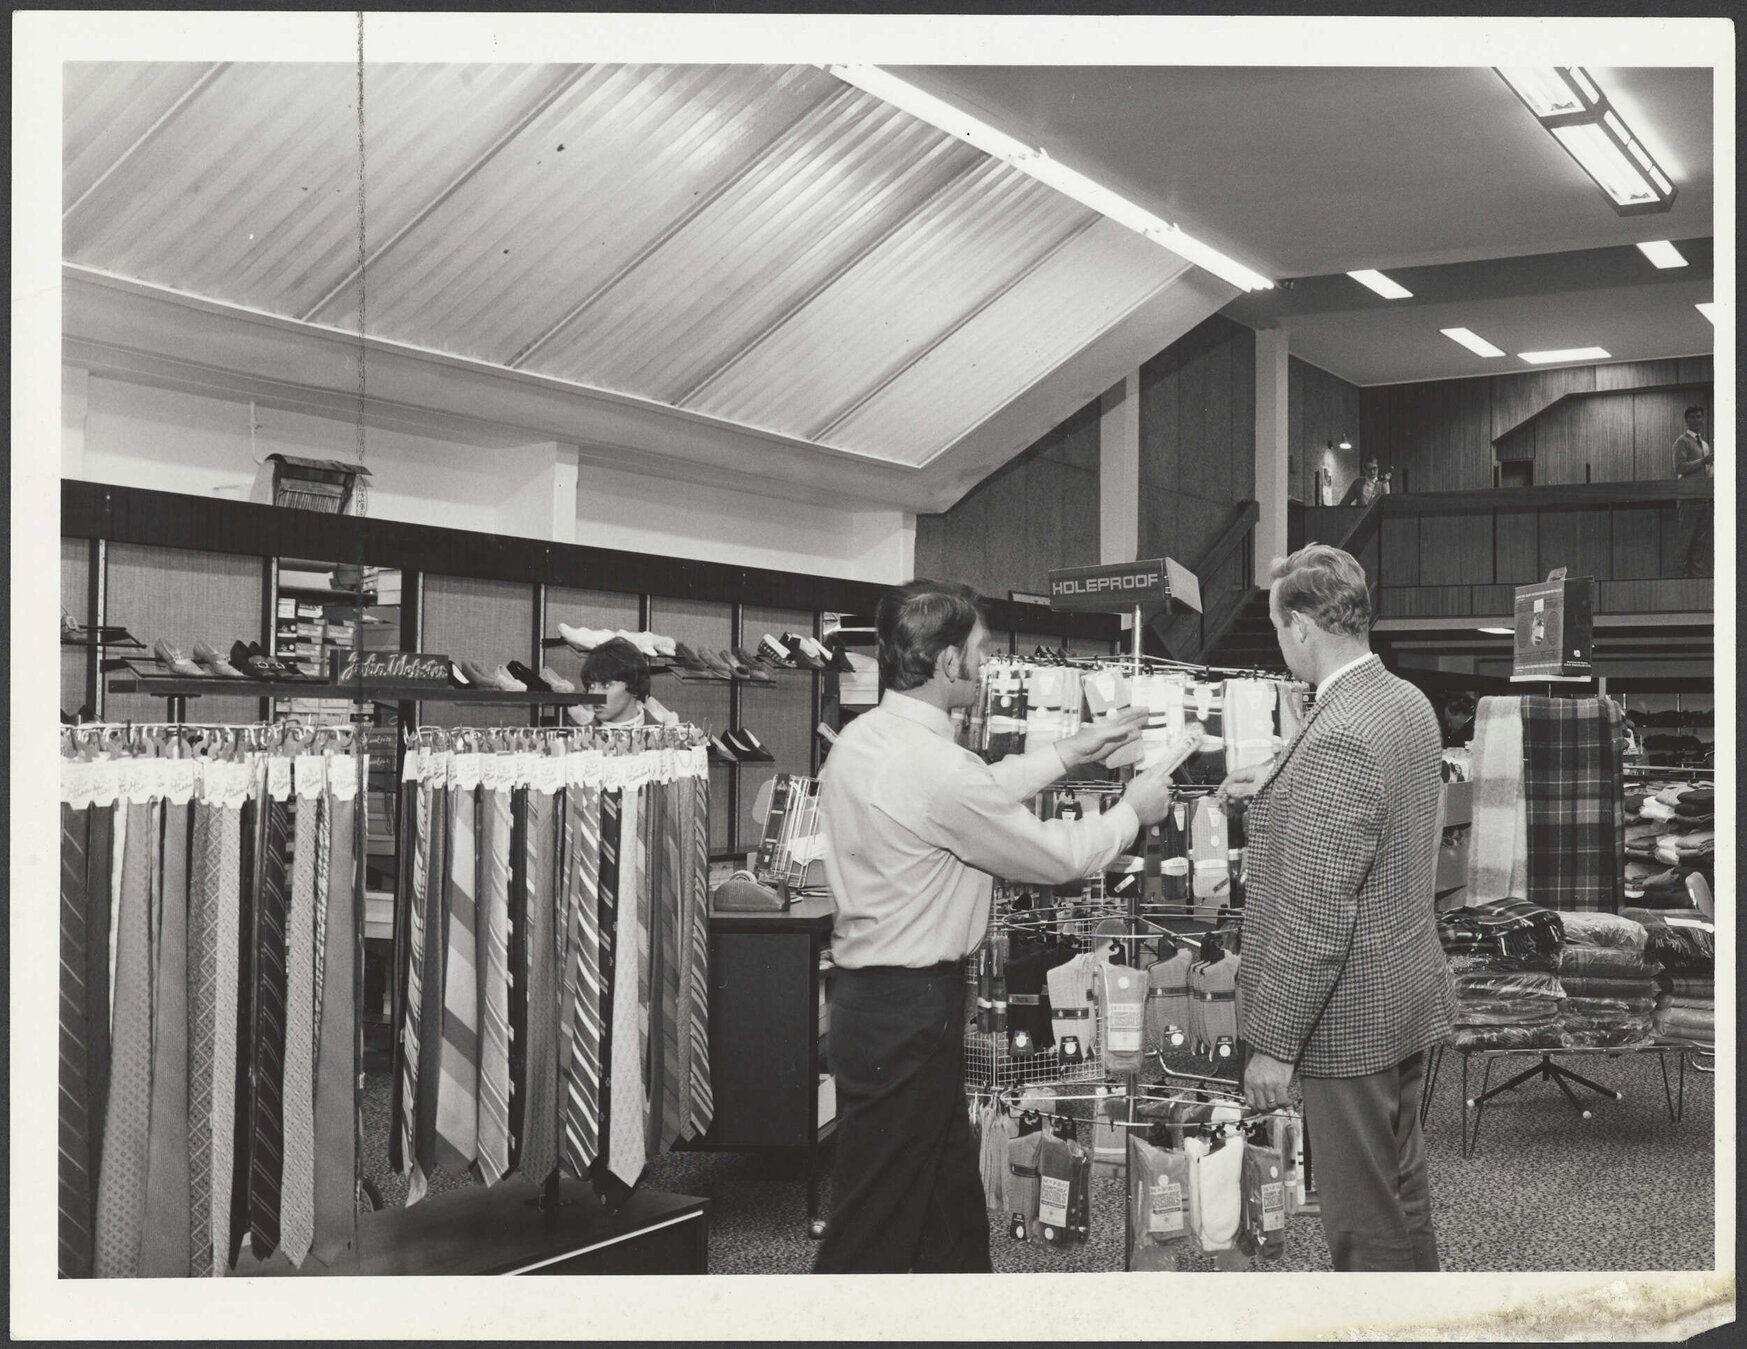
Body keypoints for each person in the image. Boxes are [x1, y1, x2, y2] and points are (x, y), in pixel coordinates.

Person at [812, 579, 1177, 1273]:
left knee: (946, 1214)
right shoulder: (934, 767)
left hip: (877, 1005)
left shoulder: (864, 739)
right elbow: (1057, 856)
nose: (987, 664)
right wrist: (1133, 808)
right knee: (872, 1228)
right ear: (948, 662)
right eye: (979, 651)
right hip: (910, 1010)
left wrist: (1072, 750)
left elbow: (969, 793)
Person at [1218, 544, 1454, 1271]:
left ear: (1298, 626)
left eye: (1276, 628)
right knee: (1401, 1188)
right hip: (1401, 993)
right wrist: (1286, 770)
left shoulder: (1338, 736)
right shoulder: (1400, 699)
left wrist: (1275, 1043)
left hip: (1345, 1018)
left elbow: (1316, 914)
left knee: (1359, 1218)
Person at [570, 636, 654, 727]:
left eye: (605, 685)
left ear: (634, 686)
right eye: (591, 686)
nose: (594, 694)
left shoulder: (667, 738)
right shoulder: (579, 739)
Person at [1672, 405, 1713, 578]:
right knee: (1685, 542)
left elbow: (1708, 471)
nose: (1697, 420)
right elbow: (1679, 467)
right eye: (1693, 417)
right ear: (1687, 420)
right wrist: (1703, 461)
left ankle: (1696, 583)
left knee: (1700, 543)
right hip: (1689, 498)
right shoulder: (1682, 442)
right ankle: (1680, 581)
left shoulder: (1704, 444)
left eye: (1699, 416)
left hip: (1704, 498)